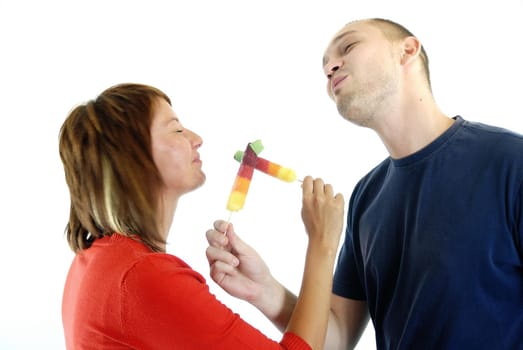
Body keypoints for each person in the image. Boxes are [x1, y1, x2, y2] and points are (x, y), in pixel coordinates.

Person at [205, 18, 523, 349]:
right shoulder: (367, 196)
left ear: (407, 51)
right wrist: (266, 291)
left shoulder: (510, 162)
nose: (330, 68)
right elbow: (338, 337)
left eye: (348, 47)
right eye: (325, 65)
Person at [59, 83, 345, 349]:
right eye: (177, 130)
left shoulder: (97, 262)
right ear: (132, 155)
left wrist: (264, 290)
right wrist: (323, 243)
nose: (197, 139)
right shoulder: (143, 276)